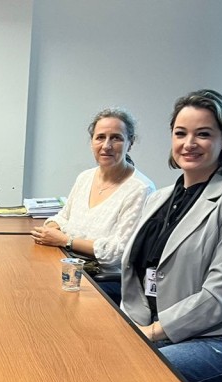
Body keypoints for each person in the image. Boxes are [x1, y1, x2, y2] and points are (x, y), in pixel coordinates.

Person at [120, 89, 222, 382]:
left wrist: (153, 332)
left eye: (203, 134)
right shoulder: (158, 198)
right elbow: (140, 274)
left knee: (132, 376)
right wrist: (130, 329)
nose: (189, 143)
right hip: (163, 331)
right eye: (181, 133)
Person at [30, 108, 155, 303]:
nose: (106, 146)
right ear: (92, 142)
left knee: (42, 300)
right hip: (69, 266)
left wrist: (66, 240)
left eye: (116, 138)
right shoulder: (85, 177)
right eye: (100, 137)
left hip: (104, 279)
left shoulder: (140, 189)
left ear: (130, 143)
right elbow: (63, 216)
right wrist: (51, 228)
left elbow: (117, 252)